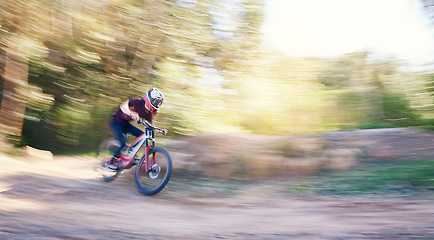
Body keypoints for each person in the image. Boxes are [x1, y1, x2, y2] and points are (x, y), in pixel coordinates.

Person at [107, 88, 168, 170]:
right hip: (116, 122)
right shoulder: (138, 101)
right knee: (122, 143)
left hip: (126, 124)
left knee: (142, 135)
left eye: (158, 103)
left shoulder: (148, 113)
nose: (157, 104)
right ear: (149, 99)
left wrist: (160, 130)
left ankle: (130, 153)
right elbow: (123, 106)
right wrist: (131, 113)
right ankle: (112, 161)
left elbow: (151, 128)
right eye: (156, 101)